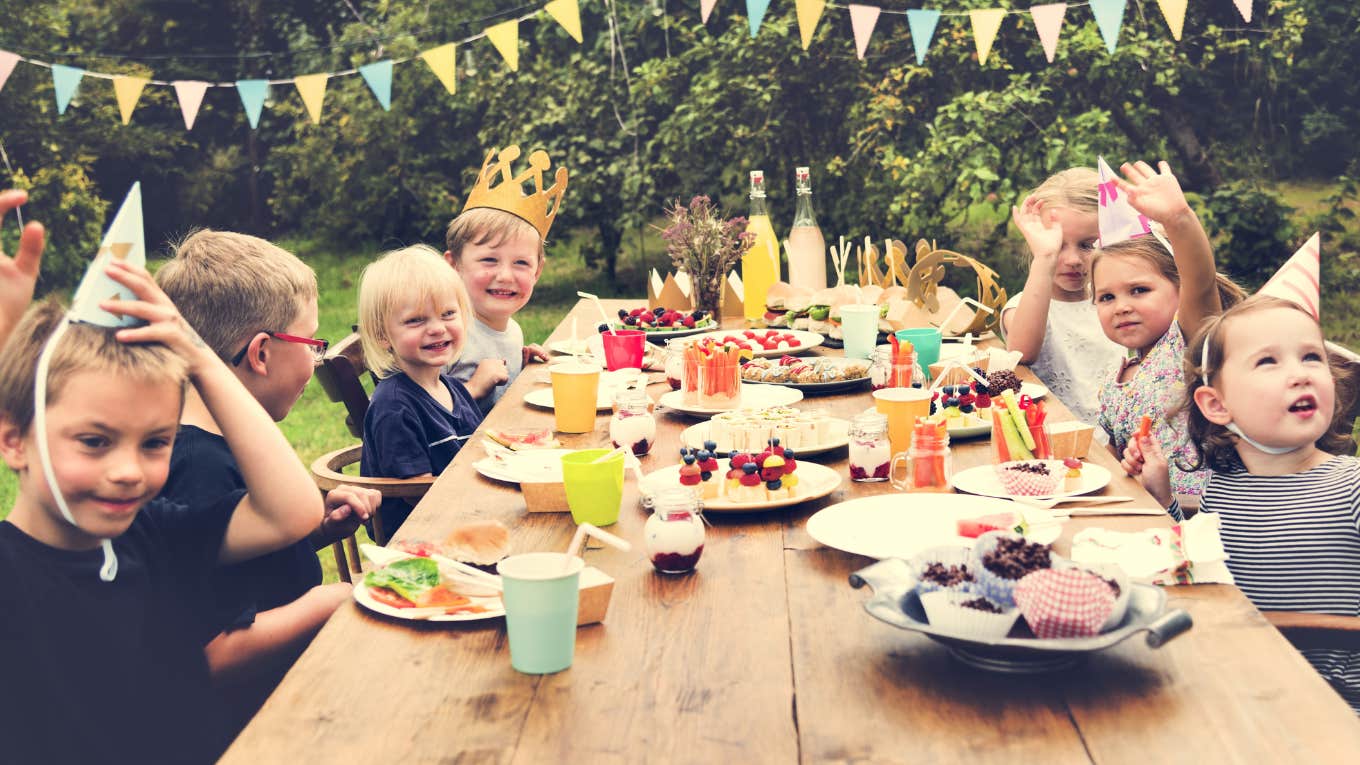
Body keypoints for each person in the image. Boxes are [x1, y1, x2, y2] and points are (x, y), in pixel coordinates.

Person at [0, 259, 325, 763]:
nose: (129, 470)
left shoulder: (151, 533)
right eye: (94, 441)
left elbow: (292, 512)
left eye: (155, 442)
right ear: (15, 441)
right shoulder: (11, 572)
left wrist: (198, 357)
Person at [155, 230, 380, 727]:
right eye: (313, 343)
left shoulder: (224, 450)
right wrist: (331, 601)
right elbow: (213, 655)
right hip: (256, 726)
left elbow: (230, 563)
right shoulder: (200, 467)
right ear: (260, 353)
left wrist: (315, 531)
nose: (318, 358)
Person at [1140, 294, 1360, 711]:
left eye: (1312, 357)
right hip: (1233, 684)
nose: (1301, 375)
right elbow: (1201, 567)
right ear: (1216, 404)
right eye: (1268, 362)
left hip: (1334, 707)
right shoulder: (1225, 487)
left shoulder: (1350, 485)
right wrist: (1165, 498)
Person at [1090, 160, 1242, 506]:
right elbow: (1116, 453)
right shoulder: (1117, 375)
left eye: (1139, 290)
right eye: (1106, 297)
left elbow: (1201, 283)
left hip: (1204, 515)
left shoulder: (1188, 344)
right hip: (1150, 508)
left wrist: (1179, 219)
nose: (1121, 306)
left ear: (1178, 289)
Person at [359, 245, 483, 534]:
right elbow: (417, 494)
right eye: (416, 320)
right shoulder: (394, 405)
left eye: (448, 314)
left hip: (463, 518)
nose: (437, 328)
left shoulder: (453, 389)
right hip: (420, 540)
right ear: (382, 335)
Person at [442, 146, 569, 414]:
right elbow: (415, 411)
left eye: (521, 263)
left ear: (537, 272)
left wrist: (520, 371)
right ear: (453, 266)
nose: (505, 276)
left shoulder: (512, 331)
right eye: (489, 260)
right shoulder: (444, 335)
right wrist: (473, 388)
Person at [1002, 168, 1125, 429]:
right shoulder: (1023, 308)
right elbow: (1021, 353)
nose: (1072, 260)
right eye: (1058, 246)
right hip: (1063, 442)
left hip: (1123, 441)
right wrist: (1045, 258)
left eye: (1088, 245)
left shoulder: (1118, 302)